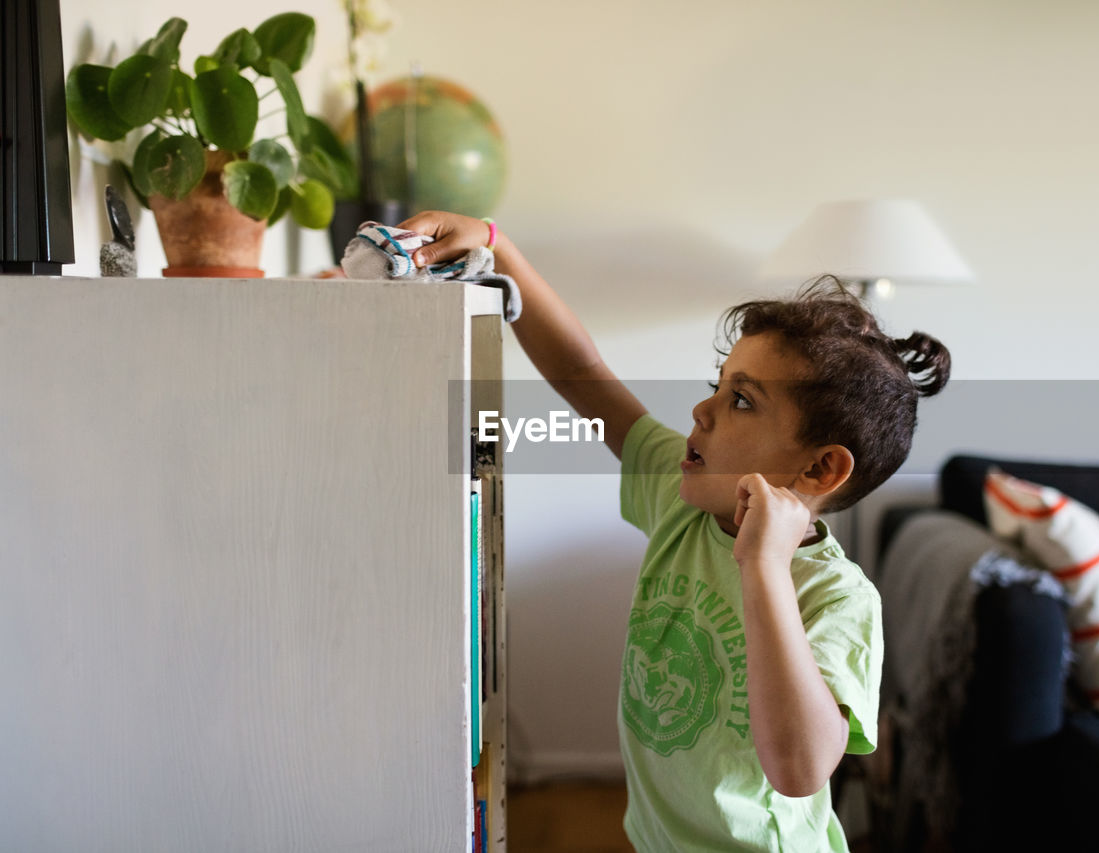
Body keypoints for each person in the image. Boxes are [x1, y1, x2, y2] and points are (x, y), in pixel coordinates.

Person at [398, 210, 951, 852]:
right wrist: (501, 248)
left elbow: (799, 772)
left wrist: (764, 567)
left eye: (741, 400)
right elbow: (584, 374)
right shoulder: (684, 502)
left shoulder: (837, 599)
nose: (701, 410)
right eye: (715, 386)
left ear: (821, 467)